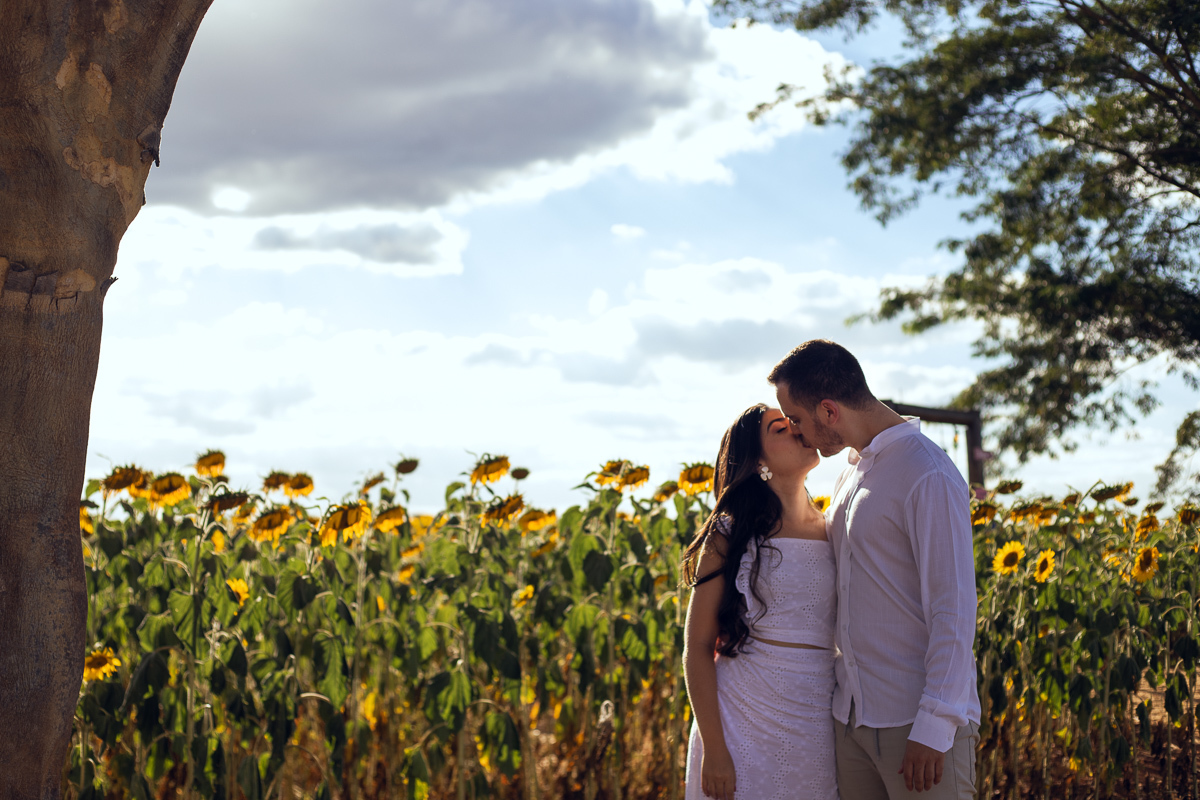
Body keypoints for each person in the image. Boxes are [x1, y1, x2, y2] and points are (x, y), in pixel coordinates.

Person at [768, 339, 980, 799]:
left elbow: (955, 607)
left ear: (828, 411)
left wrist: (935, 724)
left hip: (916, 726)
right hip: (851, 723)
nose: (796, 432)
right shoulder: (851, 472)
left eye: (798, 420)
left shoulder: (929, 474)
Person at [681, 403, 839, 800]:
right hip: (743, 718)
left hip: (818, 716)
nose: (796, 428)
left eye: (793, 421)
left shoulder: (836, 528)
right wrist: (715, 752)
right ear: (756, 463)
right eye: (779, 428)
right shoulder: (729, 533)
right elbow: (697, 647)